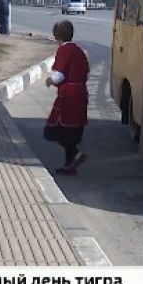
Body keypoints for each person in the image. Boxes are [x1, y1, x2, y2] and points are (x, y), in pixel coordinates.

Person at [43, 20, 90, 175]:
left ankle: (75, 155)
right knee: (73, 129)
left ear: (57, 36)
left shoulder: (63, 51)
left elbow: (59, 75)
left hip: (67, 96)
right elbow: (86, 73)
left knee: (54, 130)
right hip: (81, 93)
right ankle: (70, 165)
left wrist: (50, 81)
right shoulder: (80, 51)